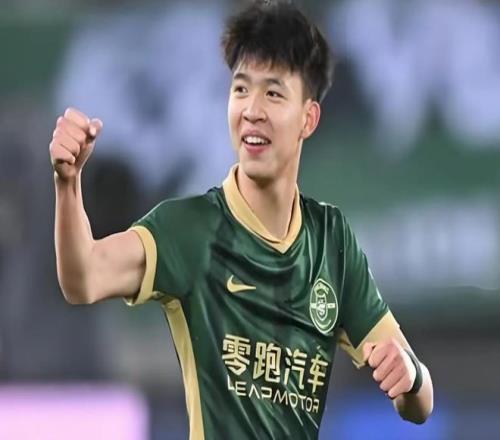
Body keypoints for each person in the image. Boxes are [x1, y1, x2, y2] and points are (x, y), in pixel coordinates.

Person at [49, 1, 434, 438]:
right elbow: (84, 279)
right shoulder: (191, 228)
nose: (252, 110)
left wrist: (411, 377)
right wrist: (68, 184)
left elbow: (419, 402)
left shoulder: (332, 241)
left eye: (273, 93)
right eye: (240, 90)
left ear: (308, 118)